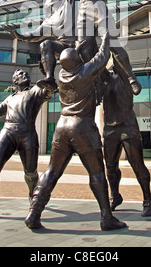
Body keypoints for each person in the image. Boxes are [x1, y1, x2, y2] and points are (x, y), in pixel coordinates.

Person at [25, 32, 127, 231]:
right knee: (97, 173)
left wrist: (78, 49)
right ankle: (107, 217)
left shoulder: (62, 76)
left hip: (62, 127)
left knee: (52, 171)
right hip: (82, 127)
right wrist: (106, 37)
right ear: (78, 61)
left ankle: (34, 212)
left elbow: (71, 59)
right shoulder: (85, 72)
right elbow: (103, 56)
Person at [0, 68, 54, 221]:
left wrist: (49, 81)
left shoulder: (35, 91)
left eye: (26, 73)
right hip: (8, 131)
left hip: (27, 132)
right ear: (14, 81)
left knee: (30, 171)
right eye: (20, 74)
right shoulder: (10, 98)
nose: (25, 74)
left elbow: (47, 92)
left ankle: (32, 196)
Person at [5, 0, 77, 91]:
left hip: (78, 41)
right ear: (49, 7)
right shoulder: (49, 20)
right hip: (63, 46)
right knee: (45, 44)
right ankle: (50, 78)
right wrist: (19, 36)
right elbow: (34, 35)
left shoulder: (69, 5)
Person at [102, 52, 151, 216]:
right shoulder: (106, 78)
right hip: (110, 127)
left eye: (120, 60)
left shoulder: (128, 78)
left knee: (137, 164)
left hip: (128, 125)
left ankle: (148, 198)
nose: (117, 62)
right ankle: (115, 196)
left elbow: (136, 88)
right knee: (110, 166)